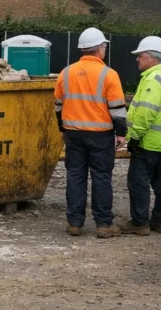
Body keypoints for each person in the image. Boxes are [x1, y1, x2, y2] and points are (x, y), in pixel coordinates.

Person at [54, 27, 127, 238]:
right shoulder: (109, 74)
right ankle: (104, 224)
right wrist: (121, 133)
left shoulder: (65, 73)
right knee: (101, 177)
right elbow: (118, 109)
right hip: (101, 135)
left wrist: (63, 129)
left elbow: (58, 105)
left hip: (73, 134)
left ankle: (74, 223)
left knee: (75, 176)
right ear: (100, 49)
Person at [117, 36, 161, 235]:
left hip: (148, 143)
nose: (137, 59)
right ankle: (158, 221)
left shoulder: (152, 80)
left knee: (138, 183)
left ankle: (140, 222)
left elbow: (146, 112)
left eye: (140, 56)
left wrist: (134, 138)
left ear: (152, 57)